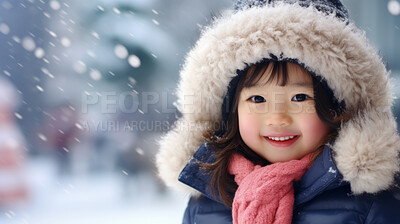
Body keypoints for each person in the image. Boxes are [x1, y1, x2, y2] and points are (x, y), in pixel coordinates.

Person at [156, 0, 400, 223]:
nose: (278, 118)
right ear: (232, 111)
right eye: (258, 99)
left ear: (338, 107)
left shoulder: (371, 202)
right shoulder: (208, 201)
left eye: (300, 97)